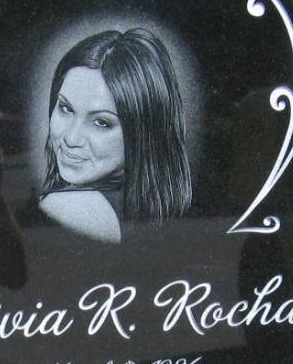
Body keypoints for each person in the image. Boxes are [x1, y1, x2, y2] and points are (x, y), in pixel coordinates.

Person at [39, 28, 192, 242]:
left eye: (101, 122)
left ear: (142, 132)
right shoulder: (149, 208)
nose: (71, 139)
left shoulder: (70, 206)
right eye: (66, 108)